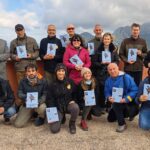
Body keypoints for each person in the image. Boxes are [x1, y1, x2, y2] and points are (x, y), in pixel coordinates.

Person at [46, 63, 79, 134]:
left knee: (75, 107)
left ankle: (72, 123)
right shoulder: (51, 84)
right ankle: (61, 116)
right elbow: (49, 99)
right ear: (56, 72)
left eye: (62, 71)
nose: (61, 73)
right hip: (57, 107)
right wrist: (53, 112)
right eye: (59, 71)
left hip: (68, 105)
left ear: (65, 72)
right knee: (54, 130)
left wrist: (73, 100)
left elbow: (75, 92)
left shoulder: (70, 81)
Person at [105, 63, 138, 132]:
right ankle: (122, 113)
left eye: (114, 69)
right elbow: (107, 91)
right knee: (110, 119)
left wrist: (126, 99)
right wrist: (109, 97)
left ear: (118, 68)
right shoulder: (108, 80)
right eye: (110, 70)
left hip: (127, 101)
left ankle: (122, 124)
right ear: (108, 71)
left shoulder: (126, 77)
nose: (112, 71)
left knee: (118, 106)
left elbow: (134, 90)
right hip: (117, 101)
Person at [14, 64, 47, 128]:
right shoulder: (22, 81)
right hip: (27, 104)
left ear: (36, 71)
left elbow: (45, 94)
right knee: (18, 124)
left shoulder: (43, 80)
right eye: (28, 71)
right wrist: (26, 97)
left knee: (43, 108)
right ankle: (32, 114)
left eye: (33, 70)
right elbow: (19, 93)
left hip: (38, 103)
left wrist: (39, 101)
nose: (31, 73)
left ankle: (41, 117)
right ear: (26, 72)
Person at [93, 33, 119, 108]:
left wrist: (111, 64)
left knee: (110, 89)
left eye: (108, 39)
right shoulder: (98, 50)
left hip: (111, 73)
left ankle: (109, 105)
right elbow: (94, 62)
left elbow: (117, 61)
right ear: (103, 40)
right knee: (101, 90)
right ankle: (101, 106)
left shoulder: (114, 50)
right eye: (105, 39)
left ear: (111, 40)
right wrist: (101, 63)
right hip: (100, 73)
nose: (106, 40)